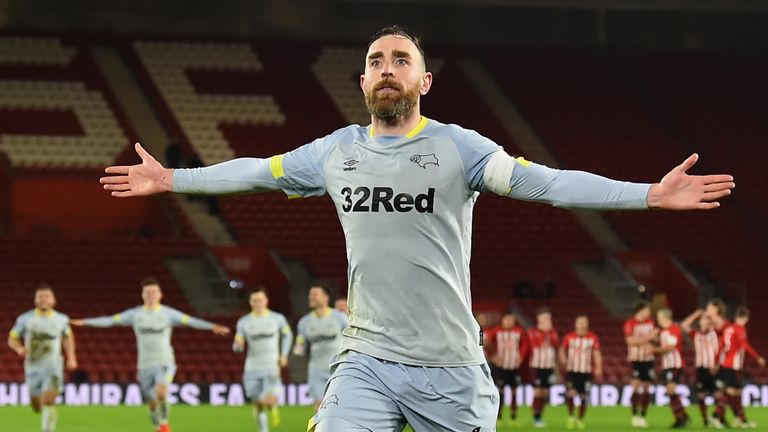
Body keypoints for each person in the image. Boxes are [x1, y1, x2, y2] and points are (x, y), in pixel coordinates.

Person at [97, 24, 736, 431]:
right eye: (376, 59)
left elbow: (551, 184)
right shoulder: (336, 151)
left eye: (400, 59)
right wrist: (174, 181)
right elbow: (255, 173)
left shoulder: (462, 148)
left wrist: (648, 195)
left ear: (422, 81)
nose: (386, 67)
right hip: (366, 358)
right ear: (363, 80)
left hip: (450, 365)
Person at [71, 278, 229, 432]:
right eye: (148, 292)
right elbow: (110, 320)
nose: (151, 295)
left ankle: (165, 424)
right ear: (142, 295)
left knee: (161, 393)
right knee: (151, 401)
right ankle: (157, 424)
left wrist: (212, 326)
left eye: (154, 292)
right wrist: (86, 322)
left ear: (160, 294)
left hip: (165, 361)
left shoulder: (169, 314)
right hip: (145, 364)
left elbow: (191, 321)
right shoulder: (134, 314)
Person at [7, 285, 77, 432]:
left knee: (49, 401)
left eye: (47, 296)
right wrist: (19, 348)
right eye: (40, 296)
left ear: (53, 300)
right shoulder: (25, 319)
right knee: (36, 405)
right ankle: (38, 403)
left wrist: (71, 357)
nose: (43, 299)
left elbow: (67, 337)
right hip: (32, 366)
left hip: (53, 366)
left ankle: (47, 429)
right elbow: (12, 338)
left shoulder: (62, 319)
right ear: (35, 300)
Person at [233, 288, 293, 432]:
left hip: (271, 367)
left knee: (268, 399)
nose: (257, 303)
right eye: (254, 300)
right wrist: (238, 346)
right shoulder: (243, 322)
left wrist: (284, 354)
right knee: (257, 404)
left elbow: (288, 335)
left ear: (266, 301)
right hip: (252, 368)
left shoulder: (277, 319)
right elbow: (237, 345)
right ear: (250, 302)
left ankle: (272, 406)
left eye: (260, 300)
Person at [294, 285, 349, 410]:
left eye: (315, 294)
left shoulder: (339, 318)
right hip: (316, 369)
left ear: (325, 298)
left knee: (338, 406)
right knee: (319, 406)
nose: (311, 297)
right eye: (310, 294)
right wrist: (298, 349)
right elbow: (300, 345)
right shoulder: (304, 322)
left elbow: (351, 336)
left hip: (337, 368)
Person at [712, 307, 766, 428]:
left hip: (726, 363)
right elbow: (744, 345)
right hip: (734, 365)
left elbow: (721, 346)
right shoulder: (740, 329)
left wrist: (716, 362)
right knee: (731, 391)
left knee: (736, 393)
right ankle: (717, 416)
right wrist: (758, 358)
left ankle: (741, 419)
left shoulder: (728, 329)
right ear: (745, 318)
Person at [485, 311, 528, 426]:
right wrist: (493, 357)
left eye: (511, 320)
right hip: (501, 367)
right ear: (503, 320)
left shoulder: (519, 331)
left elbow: (525, 344)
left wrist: (521, 356)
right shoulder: (496, 331)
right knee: (500, 391)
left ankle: (513, 417)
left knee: (514, 391)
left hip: (514, 367)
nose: (509, 322)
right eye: (507, 320)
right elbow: (487, 344)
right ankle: (498, 416)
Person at [558, 315, 601, 430]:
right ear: (575, 324)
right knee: (571, 393)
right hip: (572, 371)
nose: (582, 325)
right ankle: (571, 417)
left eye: (584, 323)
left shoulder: (592, 338)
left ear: (587, 324)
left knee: (583, 396)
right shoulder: (569, 337)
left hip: (586, 372)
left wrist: (598, 367)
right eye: (580, 322)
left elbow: (596, 353)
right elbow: (562, 350)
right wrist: (563, 359)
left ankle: (580, 419)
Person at [680, 309, 719, 427]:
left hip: (713, 368)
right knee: (701, 395)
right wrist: (696, 314)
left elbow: (721, 325)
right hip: (701, 368)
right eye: (703, 320)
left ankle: (716, 416)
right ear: (700, 322)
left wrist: (711, 315)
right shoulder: (695, 335)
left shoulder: (714, 333)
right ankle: (706, 420)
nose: (705, 322)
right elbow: (683, 325)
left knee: (719, 395)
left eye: (707, 320)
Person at [624, 300, 658, 428]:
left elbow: (655, 340)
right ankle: (634, 416)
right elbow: (631, 342)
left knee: (646, 388)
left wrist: (655, 338)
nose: (649, 312)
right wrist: (650, 336)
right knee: (636, 386)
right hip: (635, 360)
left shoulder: (650, 322)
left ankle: (643, 416)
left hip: (648, 360)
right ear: (641, 310)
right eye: (648, 309)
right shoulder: (630, 323)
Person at [654, 308, 689, 428]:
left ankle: (680, 418)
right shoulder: (663, 331)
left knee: (670, 389)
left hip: (675, 364)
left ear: (664, 317)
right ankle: (683, 415)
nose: (657, 319)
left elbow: (670, 348)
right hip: (667, 365)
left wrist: (652, 349)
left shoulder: (674, 329)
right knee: (670, 391)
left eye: (659, 316)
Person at [528, 307, 558, 428]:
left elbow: (555, 344)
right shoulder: (533, 331)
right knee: (538, 392)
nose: (547, 320)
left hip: (548, 366)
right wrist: (544, 333)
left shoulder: (552, 332)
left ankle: (540, 416)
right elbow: (535, 344)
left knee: (545, 393)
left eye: (549, 318)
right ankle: (536, 418)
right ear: (539, 319)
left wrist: (549, 333)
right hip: (537, 366)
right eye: (545, 318)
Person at [702, 298, 730, 427]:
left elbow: (725, 345)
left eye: (709, 307)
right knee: (719, 392)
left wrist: (717, 362)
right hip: (711, 362)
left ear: (716, 309)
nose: (707, 309)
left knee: (723, 391)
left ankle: (717, 417)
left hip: (722, 362)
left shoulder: (724, 324)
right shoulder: (709, 324)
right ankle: (718, 418)